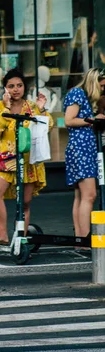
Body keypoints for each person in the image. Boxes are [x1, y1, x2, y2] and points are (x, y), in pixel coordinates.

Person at [0, 69, 53, 245]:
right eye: (11, 86)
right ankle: (2, 234)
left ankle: (20, 239)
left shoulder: (32, 107)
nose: (16, 89)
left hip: (28, 160)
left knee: (25, 202)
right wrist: (7, 108)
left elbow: (48, 126)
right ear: (5, 88)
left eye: (19, 85)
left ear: (24, 87)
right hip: (4, 158)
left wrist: (41, 109)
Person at [64, 68, 105, 240]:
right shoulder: (77, 93)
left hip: (84, 147)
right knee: (90, 194)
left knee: (81, 195)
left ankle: (80, 238)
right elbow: (69, 120)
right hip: (80, 147)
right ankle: (86, 236)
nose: (103, 89)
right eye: (101, 86)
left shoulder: (86, 97)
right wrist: (93, 120)